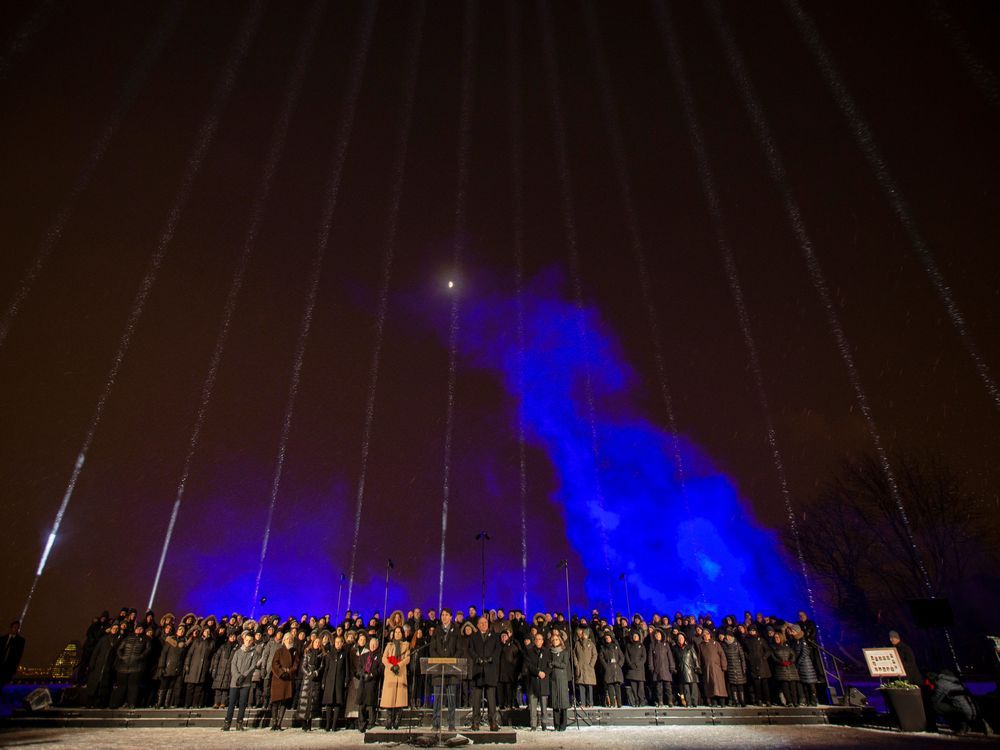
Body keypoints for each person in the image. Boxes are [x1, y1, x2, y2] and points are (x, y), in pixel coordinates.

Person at [430, 608, 461, 731]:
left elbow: (459, 649)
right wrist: (440, 661)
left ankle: (451, 724)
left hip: (451, 670)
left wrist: (450, 662)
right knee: (437, 698)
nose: (444, 617)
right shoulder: (437, 631)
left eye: (446, 615)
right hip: (438, 669)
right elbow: (432, 649)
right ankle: (435, 724)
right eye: (442, 615)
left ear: (451, 617)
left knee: (451, 699)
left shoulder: (456, 630)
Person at [467, 616, 500, 731]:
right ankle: (475, 723)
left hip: (490, 670)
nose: (484, 624)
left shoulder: (494, 636)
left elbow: (498, 650)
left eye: (485, 622)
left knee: (491, 700)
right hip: (478, 671)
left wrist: (491, 658)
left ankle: (493, 723)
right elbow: (470, 649)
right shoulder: (473, 636)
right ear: (477, 625)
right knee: (476, 700)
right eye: (481, 623)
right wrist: (477, 659)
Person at [222, 631, 256, 731]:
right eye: (247, 640)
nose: (248, 642)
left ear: (252, 641)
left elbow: (252, 666)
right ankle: (227, 723)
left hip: (246, 682)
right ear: (244, 640)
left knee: (242, 704)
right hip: (235, 682)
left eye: (250, 640)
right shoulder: (237, 652)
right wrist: (237, 676)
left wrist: (244, 676)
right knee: (231, 703)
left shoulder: (254, 653)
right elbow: (233, 665)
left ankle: (239, 723)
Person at [110, 624, 150, 709]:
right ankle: (117, 703)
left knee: (133, 686)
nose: (139, 630)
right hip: (123, 665)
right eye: (138, 628)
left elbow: (148, 650)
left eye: (141, 628)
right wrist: (121, 657)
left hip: (136, 666)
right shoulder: (128, 637)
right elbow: (120, 649)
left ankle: (132, 703)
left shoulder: (146, 639)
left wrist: (140, 657)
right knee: (121, 685)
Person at [380, 626, 410, 730]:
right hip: (390, 673)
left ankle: (397, 720)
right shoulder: (389, 645)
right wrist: (391, 666)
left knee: (399, 698)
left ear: (402, 634)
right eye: (395, 632)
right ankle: (389, 719)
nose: (397, 634)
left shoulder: (406, 645)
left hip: (400, 673)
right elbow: (384, 658)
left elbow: (407, 658)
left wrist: (399, 665)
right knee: (389, 698)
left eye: (399, 632)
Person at [270, 632, 299, 731]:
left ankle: (279, 723)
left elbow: (296, 664)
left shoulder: (294, 651)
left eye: (291, 639)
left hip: (287, 679)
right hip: (278, 679)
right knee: (275, 701)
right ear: (284, 640)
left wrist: (289, 671)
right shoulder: (279, 651)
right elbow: (274, 663)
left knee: (284, 702)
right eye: (287, 639)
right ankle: (274, 723)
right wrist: (282, 672)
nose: (289, 640)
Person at [322, 634, 350, 731]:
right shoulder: (330, 654)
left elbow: (347, 668)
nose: (338, 644)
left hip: (339, 681)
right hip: (330, 681)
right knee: (329, 703)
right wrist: (324, 680)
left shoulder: (345, 654)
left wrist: (346, 680)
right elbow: (326, 669)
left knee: (337, 703)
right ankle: (327, 724)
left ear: (342, 643)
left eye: (340, 642)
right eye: (336, 642)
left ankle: (334, 725)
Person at [523, 632, 550, 730]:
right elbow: (528, 665)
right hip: (533, 681)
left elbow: (549, 665)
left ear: (542, 641)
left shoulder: (546, 652)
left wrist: (544, 673)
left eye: (540, 639)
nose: (538, 641)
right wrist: (538, 672)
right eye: (537, 639)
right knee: (533, 705)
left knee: (544, 705)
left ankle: (544, 724)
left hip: (543, 681)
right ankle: (533, 725)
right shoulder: (529, 652)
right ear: (534, 641)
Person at [182, 627, 214, 708]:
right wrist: (187, 664)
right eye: (206, 631)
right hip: (193, 666)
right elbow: (190, 654)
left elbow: (211, 654)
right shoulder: (197, 641)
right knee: (190, 687)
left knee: (199, 688)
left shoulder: (211, 642)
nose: (207, 632)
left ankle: (195, 704)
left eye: (208, 631)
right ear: (202, 632)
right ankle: (187, 704)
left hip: (203, 667)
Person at [297, 635, 323, 731]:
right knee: (305, 700)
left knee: (313, 701)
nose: (317, 644)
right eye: (316, 642)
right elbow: (303, 665)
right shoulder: (307, 653)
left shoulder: (321, 655)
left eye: (318, 643)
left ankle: (310, 722)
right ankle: (304, 722)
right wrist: (308, 673)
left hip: (315, 679)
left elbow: (321, 666)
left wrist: (316, 672)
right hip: (307, 679)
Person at [356, 635, 381, 732]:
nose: (373, 646)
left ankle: (371, 723)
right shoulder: (364, 656)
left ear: (377, 645)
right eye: (371, 644)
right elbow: (359, 668)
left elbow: (380, 669)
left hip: (372, 682)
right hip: (363, 681)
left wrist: (371, 675)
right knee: (361, 703)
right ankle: (361, 723)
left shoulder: (379, 656)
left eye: (375, 644)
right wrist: (363, 674)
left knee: (370, 704)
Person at [696, 631, 728, 707]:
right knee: (710, 686)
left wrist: (724, 666)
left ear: (710, 635)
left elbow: (722, 655)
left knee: (719, 685)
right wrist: (699, 668)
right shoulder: (701, 645)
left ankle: (722, 702)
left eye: (707, 634)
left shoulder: (715, 643)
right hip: (707, 669)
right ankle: (714, 702)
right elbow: (699, 658)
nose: (705, 636)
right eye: (704, 635)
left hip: (717, 668)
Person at [646, 628, 675, 707]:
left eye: (659, 634)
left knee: (668, 687)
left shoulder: (666, 644)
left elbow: (670, 657)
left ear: (662, 635)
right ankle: (660, 701)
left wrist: (672, 666)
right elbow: (650, 657)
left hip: (666, 669)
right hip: (657, 669)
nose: (657, 636)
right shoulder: (652, 645)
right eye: (656, 635)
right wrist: (651, 666)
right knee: (658, 687)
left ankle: (669, 701)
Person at [743, 626, 772, 706]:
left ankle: (767, 700)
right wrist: (748, 657)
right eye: (750, 631)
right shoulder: (747, 640)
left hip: (763, 664)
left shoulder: (761, 640)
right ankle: (759, 699)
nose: (752, 632)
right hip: (753, 664)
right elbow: (744, 651)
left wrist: (764, 657)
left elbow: (768, 650)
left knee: (765, 684)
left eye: (753, 631)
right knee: (756, 684)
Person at [548, 632, 570, 731]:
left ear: (560, 641)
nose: (554, 641)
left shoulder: (564, 652)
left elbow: (564, 665)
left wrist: (554, 663)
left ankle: (563, 724)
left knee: (563, 702)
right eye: (553, 640)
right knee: (555, 702)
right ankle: (556, 724)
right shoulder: (550, 652)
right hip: (553, 678)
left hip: (562, 678)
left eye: (556, 639)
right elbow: (548, 664)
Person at [769, 632, 799, 707]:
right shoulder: (773, 647)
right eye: (775, 637)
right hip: (780, 669)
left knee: (793, 687)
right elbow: (773, 657)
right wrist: (781, 662)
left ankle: (795, 701)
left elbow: (793, 655)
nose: (777, 639)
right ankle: (789, 702)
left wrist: (790, 661)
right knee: (784, 686)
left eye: (778, 637)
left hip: (790, 668)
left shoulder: (787, 646)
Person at [673, 632, 701, 707]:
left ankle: (694, 702)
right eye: (679, 638)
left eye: (681, 637)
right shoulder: (675, 648)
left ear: (684, 638)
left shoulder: (690, 647)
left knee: (693, 687)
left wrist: (697, 667)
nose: (680, 639)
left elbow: (695, 658)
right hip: (682, 670)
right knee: (686, 688)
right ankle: (688, 702)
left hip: (691, 669)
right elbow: (674, 660)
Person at [597, 631, 624, 708]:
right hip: (608, 669)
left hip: (616, 668)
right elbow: (601, 658)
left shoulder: (616, 647)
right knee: (610, 687)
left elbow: (621, 657)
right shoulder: (603, 648)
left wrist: (619, 665)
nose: (607, 639)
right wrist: (606, 666)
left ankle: (619, 703)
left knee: (617, 687)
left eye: (608, 638)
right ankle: (612, 703)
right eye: (606, 638)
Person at [573, 627, 598, 708]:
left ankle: (590, 703)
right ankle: (582, 703)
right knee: (581, 685)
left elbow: (595, 655)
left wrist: (591, 664)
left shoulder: (591, 644)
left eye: (584, 634)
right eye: (582, 633)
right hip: (580, 667)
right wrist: (576, 664)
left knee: (589, 685)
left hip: (588, 667)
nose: (583, 635)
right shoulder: (577, 644)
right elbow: (574, 654)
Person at [0, 621, 25, 696]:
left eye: (17, 628)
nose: (16, 629)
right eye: (15, 627)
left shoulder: (21, 641)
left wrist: (14, 668)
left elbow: (18, 655)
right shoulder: (2, 639)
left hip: (9, 668)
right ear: (11, 628)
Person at [498, 630, 521, 709]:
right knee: (501, 691)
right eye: (502, 636)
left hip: (510, 673)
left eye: (505, 636)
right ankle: (501, 704)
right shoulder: (498, 647)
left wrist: (514, 667)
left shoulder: (513, 647)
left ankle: (510, 704)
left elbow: (517, 659)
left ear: (508, 637)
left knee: (509, 690)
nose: (504, 637)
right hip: (500, 673)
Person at [722, 633, 747, 706]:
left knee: (740, 685)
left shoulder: (737, 645)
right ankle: (736, 701)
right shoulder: (724, 645)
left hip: (738, 666)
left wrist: (744, 668)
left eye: (729, 636)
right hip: (730, 667)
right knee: (733, 685)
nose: (728, 637)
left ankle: (742, 700)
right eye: (727, 636)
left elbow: (742, 657)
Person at [623, 630, 647, 706]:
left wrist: (638, 664)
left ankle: (641, 700)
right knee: (633, 686)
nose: (635, 637)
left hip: (640, 669)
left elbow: (644, 657)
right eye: (634, 636)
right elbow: (626, 656)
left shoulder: (642, 646)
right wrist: (630, 664)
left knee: (640, 687)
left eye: (636, 636)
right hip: (631, 669)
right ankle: (636, 700)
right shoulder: (628, 646)